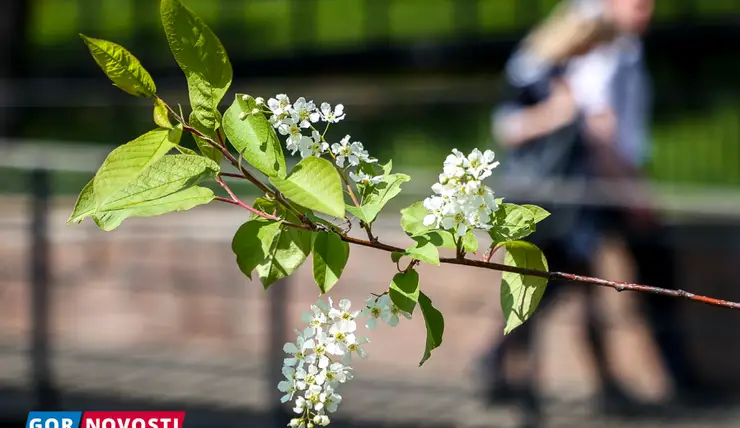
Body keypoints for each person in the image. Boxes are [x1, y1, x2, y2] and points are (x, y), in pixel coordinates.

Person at [480, 0, 699, 422]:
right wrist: (560, 113)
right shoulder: (538, 74)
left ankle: (564, 386)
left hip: (569, 207)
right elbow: (509, 127)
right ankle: (517, 383)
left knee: (571, 294)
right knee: (538, 296)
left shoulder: (559, 72)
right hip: (545, 205)